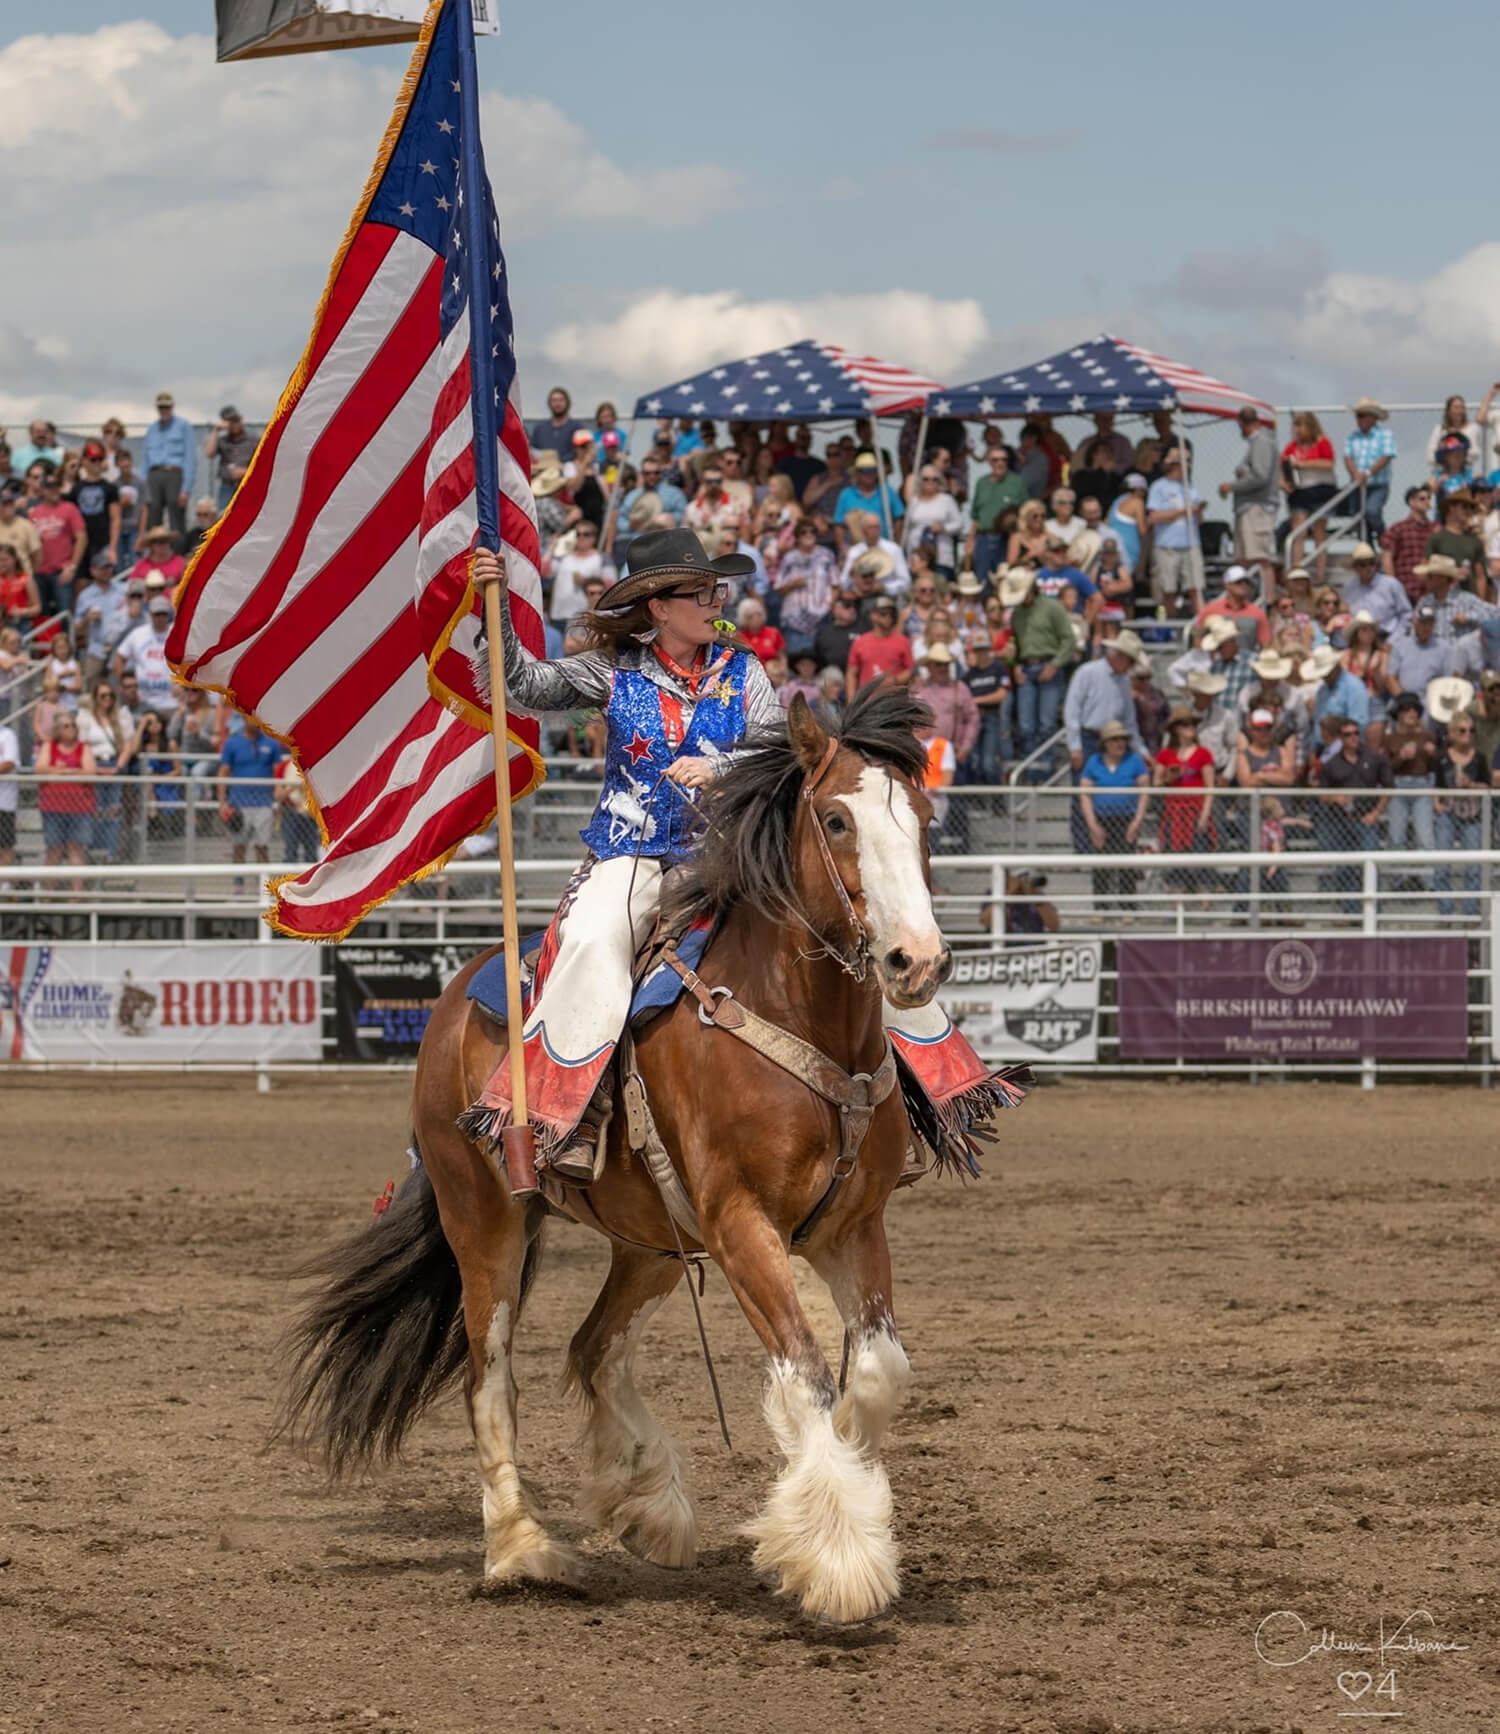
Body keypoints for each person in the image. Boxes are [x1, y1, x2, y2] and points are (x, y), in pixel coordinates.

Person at [459, 527, 781, 1180]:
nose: (716, 601)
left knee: (828, 921)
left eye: (716, 588)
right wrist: (492, 610)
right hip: (628, 852)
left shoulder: (745, 672)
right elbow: (521, 686)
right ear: (659, 606)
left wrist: (721, 765)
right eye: (700, 591)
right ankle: (571, 1113)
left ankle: (913, 1088)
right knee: (592, 936)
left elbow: (781, 753)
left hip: (723, 856)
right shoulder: (614, 671)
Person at [1001, 566, 1076, 764]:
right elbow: (1015, 643)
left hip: (1048, 665)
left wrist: (1055, 665)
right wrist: (1015, 666)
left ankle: (1046, 768)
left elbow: (1069, 640)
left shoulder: (1053, 608)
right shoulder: (1017, 614)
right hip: (1026, 668)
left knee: (1046, 724)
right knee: (1026, 726)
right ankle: (1031, 768)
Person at [1316, 716, 1392, 911]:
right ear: (1340, 738)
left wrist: (1376, 813)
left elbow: (1388, 788)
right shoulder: (1331, 764)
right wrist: (1335, 798)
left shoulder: (1374, 758)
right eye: (1348, 734)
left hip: (1366, 820)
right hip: (1341, 822)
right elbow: (1320, 794)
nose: (1353, 738)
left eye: (1356, 733)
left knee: (1370, 866)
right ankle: (1350, 912)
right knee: (1346, 868)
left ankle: (1374, 910)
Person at [1077, 720, 1150, 906]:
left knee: (1126, 863)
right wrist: (1092, 825)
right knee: (1101, 865)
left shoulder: (1134, 760)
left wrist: (1137, 820)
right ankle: (1101, 906)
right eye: (1114, 739)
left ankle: (1127, 906)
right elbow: (1085, 794)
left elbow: (1144, 790)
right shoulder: (1094, 761)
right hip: (1102, 818)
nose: (1120, 743)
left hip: (1126, 818)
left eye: (1122, 739)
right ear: (1105, 743)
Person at [1434, 703, 1491, 917]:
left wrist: (1471, 785)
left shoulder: (1479, 758)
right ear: (1452, 733)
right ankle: (1446, 912)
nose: (1467, 735)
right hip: (1448, 813)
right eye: (1462, 730)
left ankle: (1469, 914)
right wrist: (1437, 803)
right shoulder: (1442, 757)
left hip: (1473, 815)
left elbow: (1487, 786)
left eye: (1471, 730)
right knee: (1441, 865)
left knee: (1474, 868)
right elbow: (1437, 784)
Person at [1063, 630, 1146, 772]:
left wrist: (1142, 752)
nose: (1131, 667)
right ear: (1121, 656)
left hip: (1115, 741)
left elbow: (1129, 721)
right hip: (1088, 739)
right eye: (1131, 661)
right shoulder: (1087, 672)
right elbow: (1072, 711)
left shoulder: (1124, 681)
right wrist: (1075, 746)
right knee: (1084, 787)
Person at [218, 715, 285, 889]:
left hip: (264, 803)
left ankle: (264, 887)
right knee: (239, 847)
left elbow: (277, 774)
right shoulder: (233, 743)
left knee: (262, 847)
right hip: (239, 804)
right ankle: (238, 885)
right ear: (244, 719)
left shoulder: (271, 743)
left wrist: (277, 802)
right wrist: (222, 803)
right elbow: (223, 772)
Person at [1153, 709, 1216, 890]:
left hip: (1196, 809)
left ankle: (1205, 909)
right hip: (1174, 812)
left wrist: (1205, 814)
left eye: (1193, 725)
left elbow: (1210, 786)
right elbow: (1155, 785)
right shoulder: (1166, 754)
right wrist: (1168, 779)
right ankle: (1177, 909)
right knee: (1175, 864)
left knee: (1201, 861)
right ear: (1176, 729)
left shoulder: (1204, 753)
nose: (1191, 728)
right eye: (1185, 725)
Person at [1220, 407, 1279, 596]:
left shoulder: (1261, 442)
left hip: (1257, 509)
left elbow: (1260, 476)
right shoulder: (1256, 444)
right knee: (1244, 559)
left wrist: (1233, 486)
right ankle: (1248, 599)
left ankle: (1267, 603)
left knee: (1260, 558)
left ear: (1242, 424)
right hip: (1248, 508)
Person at [35, 710, 97, 882]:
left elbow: (90, 773)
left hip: (80, 807)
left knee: (75, 850)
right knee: (53, 850)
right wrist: (70, 771)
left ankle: (76, 898)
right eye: (66, 726)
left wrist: (56, 772)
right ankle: (48, 897)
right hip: (53, 806)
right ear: (57, 730)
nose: (71, 729)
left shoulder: (84, 748)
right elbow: (40, 769)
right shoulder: (49, 746)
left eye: (73, 725)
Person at [1279, 411, 1339, 584]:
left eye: (1301, 426)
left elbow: (1329, 464)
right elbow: (1283, 466)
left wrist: (1302, 464)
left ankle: (1320, 575)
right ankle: (1296, 571)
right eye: (1295, 426)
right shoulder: (1292, 447)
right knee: (1299, 532)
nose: (1298, 430)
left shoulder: (1322, 443)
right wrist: (1283, 482)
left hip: (1320, 489)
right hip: (1299, 491)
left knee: (1319, 532)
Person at [1146, 448, 1205, 617]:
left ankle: (1200, 626)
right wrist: (1182, 511)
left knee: (1196, 587)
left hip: (1191, 544)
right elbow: (1153, 517)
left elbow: (1199, 519)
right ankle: (1170, 626)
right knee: (1168, 589)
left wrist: (1198, 511)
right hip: (1166, 546)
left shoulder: (1190, 488)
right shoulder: (1158, 487)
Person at [28, 466, 87, 619]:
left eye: (56, 487)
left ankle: (68, 642)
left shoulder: (69, 508)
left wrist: (72, 567)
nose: (54, 491)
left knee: (65, 614)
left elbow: (82, 538)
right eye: (49, 488)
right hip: (39, 572)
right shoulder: (34, 512)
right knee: (42, 616)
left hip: (62, 572)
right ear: (42, 490)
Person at [966, 445, 1029, 585]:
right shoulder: (981, 483)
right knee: (982, 581)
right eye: (995, 460)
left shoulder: (1017, 482)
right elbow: (976, 516)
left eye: (1003, 459)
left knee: (1005, 579)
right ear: (989, 462)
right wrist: (970, 541)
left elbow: (1027, 513)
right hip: (983, 538)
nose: (1000, 463)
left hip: (1007, 539)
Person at [142, 391, 196, 536]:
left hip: (174, 473)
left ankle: (178, 554)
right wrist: (143, 485)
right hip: (154, 474)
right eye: (161, 407)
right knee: (152, 512)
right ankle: (153, 553)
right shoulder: (152, 429)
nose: (164, 410)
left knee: (176, 510)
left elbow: (190, 458)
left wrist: (186, 489)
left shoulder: (183, 426)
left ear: (172, 407)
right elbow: (145, 459)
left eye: (167, 407)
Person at [1344, 396, 1396, 540]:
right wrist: (1355, 474)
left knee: (1372, 512)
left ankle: (1383, 537)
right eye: (1357, 416)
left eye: (1361, 416)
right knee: (1358, 517)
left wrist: (1367, 473)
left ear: (1373, 417)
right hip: (1357, 485)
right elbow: (1347, 457)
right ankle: (1367, 548)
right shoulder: (1352, 436)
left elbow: (1387, 456)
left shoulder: (1385, 435)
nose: (1358, 420)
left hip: (1378, 485)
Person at [963, 631, 1010, 783]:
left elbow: (1001, 695)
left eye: (984, 649)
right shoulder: (969, 674)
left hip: (992, 718)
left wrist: (976, 700)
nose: (982, 653)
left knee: (989, 763)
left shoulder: (998, 668)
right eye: (978, 650)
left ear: (990, 649)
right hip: (974, 720)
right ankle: (980, 801)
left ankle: (997, 801)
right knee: (975, 762)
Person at [900, 463, 960, 577]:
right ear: (920, 481)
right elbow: (907, 528)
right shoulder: (913, 502)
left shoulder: (947, 500)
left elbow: (959, 524)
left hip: (941, 558)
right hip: (917, 559)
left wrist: (943, 528)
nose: (930, 482)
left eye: (934, 479)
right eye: (926, 479)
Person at [846, 596, 914, 694]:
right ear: (872, 615)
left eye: (892, 614)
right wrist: (851, 703)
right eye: (883, 614)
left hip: (895, 700)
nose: (888, 617)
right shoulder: (860, 642)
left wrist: (895, 681)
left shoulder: (902, 641)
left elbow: (910, 670)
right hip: (867, 701)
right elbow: (851, 674)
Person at [1424, 491, 1487, 595]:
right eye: (1465, 507)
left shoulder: (1475, 541)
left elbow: (1480, 577)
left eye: (1471, 508)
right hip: (1443, 601)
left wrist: (1481, 604)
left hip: (1470, 602)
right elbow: (1425, 572)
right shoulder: (1436, 539)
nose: (1469, 511)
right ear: (1451, 508)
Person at [1381, 485, 1436, 603]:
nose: (1427, 502)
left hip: (1430, 592)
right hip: (1404, 592)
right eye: (1422, 499)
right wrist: (1393, 587)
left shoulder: (1435, 529)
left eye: (1428, 499)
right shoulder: (1398, 528)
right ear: (1411, 502)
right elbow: (1387, 557)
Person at [204, 406, 255, 509]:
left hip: (248, 485)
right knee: (224, 516)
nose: (234, 424)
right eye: (230, 422)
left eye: (236, 420)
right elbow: (209, 453)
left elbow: (264, 465)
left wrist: (246, 472)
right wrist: (216, 430)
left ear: (241, 419)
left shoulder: (254, 441)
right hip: (227, 487)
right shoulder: (222, 440)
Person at [528, 386, 585, 461]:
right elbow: (532, 452)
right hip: (544, 469)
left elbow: (585, 452)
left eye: (561, 400)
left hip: (570, 470)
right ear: (549, 403)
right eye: (554, 400)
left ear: (567, 402)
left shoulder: (577, 428)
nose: (558, 404)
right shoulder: (539, 429)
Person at [0, 710, 17, 875]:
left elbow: (8, 763)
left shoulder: (7, 735)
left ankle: (4, 887)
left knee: (5, 845)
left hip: (3, 802)